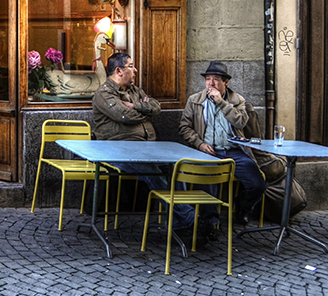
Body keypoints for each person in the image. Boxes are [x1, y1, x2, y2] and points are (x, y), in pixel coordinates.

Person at [91, 52, 200, 237]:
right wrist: (144, 110)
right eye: (131, 66)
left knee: (177, 167)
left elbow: (156, 107)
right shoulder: (103, 94)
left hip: (148, 148)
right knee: (153, 173)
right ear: (119, 71)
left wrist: (136, 106)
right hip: (119, 151)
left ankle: (177, 223)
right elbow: (123, 116)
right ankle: (189, 218)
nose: (135, 70)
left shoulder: (134, 91)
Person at [179, 61, 266, 225]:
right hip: (207, 151)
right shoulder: (195, 100)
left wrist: (221, 103)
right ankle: (210, 222)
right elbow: (184, 127)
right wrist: (199, 144)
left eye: (216, 79)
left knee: (257, 184)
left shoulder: (237, 100)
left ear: (226, 82)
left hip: (234, 152)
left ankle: (243, 208)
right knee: (207, 178)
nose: (211, 83)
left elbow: (240, 123)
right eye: (208, 79)